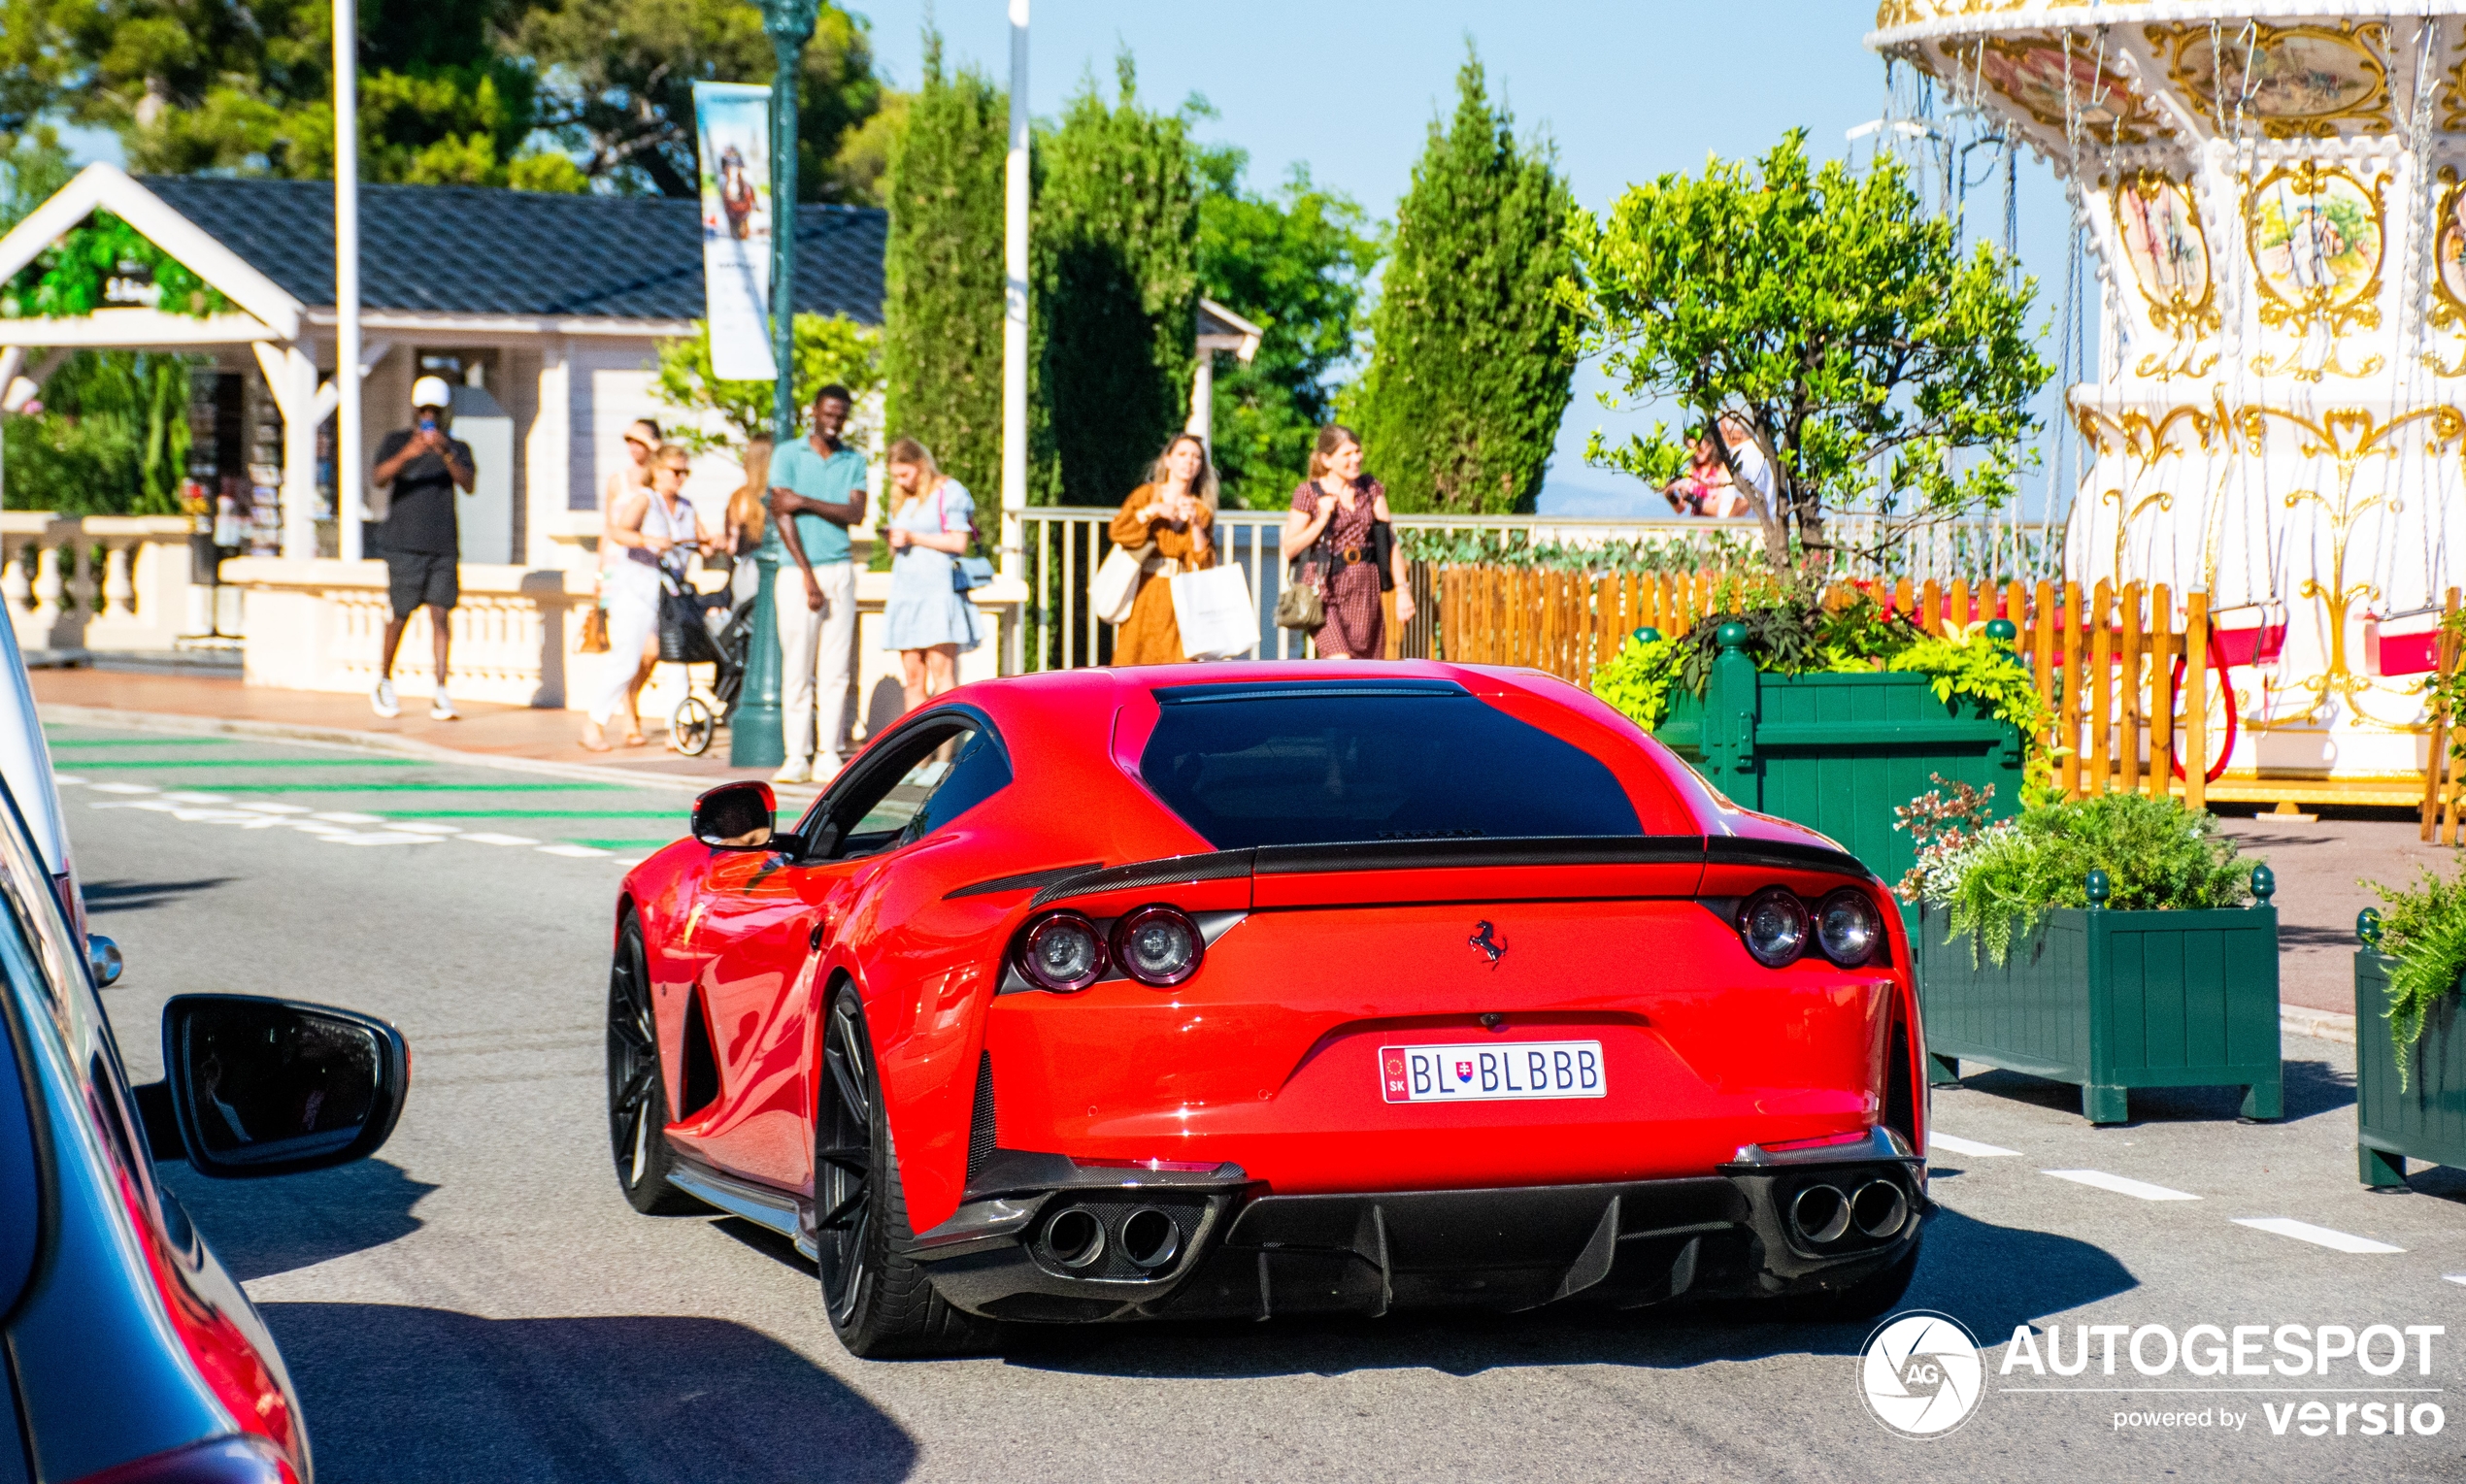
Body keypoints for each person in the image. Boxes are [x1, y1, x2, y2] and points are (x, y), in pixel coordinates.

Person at [583, 444, 716, 752]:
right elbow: (618, 532)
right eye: (675, 471)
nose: (681, 478)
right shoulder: (645, 500)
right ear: (657, 470)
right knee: (626, 661)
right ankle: (594, 721)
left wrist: (713, 543)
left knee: (676, 659)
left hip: (671, 596)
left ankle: (676, 729)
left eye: (685, 472)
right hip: (636, 592)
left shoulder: (686, 506)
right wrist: (647, 540)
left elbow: (702, 543)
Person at [768, 385, 867, 785]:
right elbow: (781, 513)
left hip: (840, 569)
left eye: (840, 414)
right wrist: (808, 575)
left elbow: (855, 512)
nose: (834, 420)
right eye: (828, 412)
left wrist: (803, 500)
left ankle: (828, 752)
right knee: (797, 667)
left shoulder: (853, 460)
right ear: (814, 411)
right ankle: (796, 754)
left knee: (836, 668)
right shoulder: (788, 454)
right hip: (797, 573)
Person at [368, 376, 475, 720]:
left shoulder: (457, 448)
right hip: (404, 544)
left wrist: (444, 453)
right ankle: (384, 681)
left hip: (442, 544)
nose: (430, 415)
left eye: (436, 411)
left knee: (441, 615)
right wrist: (409, 453)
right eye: (424, 410)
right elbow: (379, 478)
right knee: (400, 614)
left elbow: (469, 484)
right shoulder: (396, 441)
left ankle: (441, 691)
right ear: (415, 411)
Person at [1283, 424, 1413, 660]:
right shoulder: (1308, 492)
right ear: (1327, 460)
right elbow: (1290, 547)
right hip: (1324, 591)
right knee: (1341, 662)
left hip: (1366, 591)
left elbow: (1388, 539)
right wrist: (1321, 519)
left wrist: (1402, 590)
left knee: (1367, 673)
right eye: (1347, 454)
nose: (1356, 458)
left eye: (1357, 451)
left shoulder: (1370, 488)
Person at [880, 439, 983, 712]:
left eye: (905, 474)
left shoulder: (948, 491)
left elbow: (958, 543)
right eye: (896, 476)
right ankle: (919, 753)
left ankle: (945, 752)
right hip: (906, 592)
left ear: (921, 465)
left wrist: (914, 537)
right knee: (913, 679)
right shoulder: (900, 499)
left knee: (942, 674)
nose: (900, 482)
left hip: (937, 592)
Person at [1108, 433, 1217, 665]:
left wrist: (1195, 524)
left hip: (1180, 602)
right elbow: (1119, 531)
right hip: (1144, 593)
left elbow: (1204, 565)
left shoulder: (1201, 510)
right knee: (1133, 662)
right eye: (1182, 454)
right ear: (1168, 460)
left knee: (1178, 671)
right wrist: (1153, 510)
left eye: (1196, 457)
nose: (1189, 461)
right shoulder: (1147, 495)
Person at [597, 418, 665, 743]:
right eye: (630, 440)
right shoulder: (618, 482)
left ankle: (631, 701)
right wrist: (599, 575)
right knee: (627, 649)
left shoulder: (661, 482)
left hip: (652, 576)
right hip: (620, 570)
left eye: (641, 441)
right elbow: (608, 528)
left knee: (650, 652)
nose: (634, 447)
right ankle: (626, 717)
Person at [723, 437, 772, 606]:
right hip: (765, 576)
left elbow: (731, 546)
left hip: (741, 577)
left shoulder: (738, 498)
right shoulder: (775, 499)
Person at [1710, 413, 1774, 519]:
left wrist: (1724, 528)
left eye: (1723, 428)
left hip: (1746, 532)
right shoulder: (1752, 452)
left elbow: (1745, 501)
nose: (1722, 433)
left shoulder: (1747, 456)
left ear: (1738, 433)